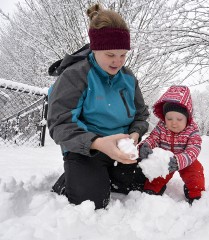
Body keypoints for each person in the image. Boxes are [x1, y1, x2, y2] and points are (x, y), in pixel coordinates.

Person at [47, 3, 149, 209]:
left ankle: (103, 175)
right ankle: (74, 178)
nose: (118, 62)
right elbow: (60, 124)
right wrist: (98, 143)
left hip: (121, 148)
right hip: (86, 148)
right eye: (110, 55)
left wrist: (135, 135)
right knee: (91, 201)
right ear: (95, 49)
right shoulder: (76, 75)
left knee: (145, 184)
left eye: (123, 55)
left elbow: (141, 116)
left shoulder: (128, 78)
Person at [139, 85, 205, 204]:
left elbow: (194, 148)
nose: (174, 123)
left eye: (179, 119)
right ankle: (153, 189)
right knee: (156, 174)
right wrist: (146, 145)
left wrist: (180, 160)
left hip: (186, 160)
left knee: (195, 173)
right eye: (169, 119)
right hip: (165, 159)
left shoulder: (192, 130)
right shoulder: (161, 127)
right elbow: (153, 138)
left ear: (187, 118)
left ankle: (195, 193)